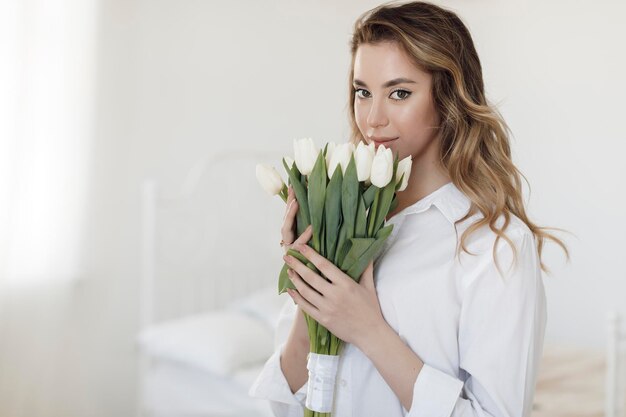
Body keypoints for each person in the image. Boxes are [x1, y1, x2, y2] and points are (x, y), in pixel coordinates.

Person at [249, 1, 570, 416]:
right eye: (362, 92)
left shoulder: (496, 245)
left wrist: (366, 329)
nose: (373, 119)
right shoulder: (340, 219)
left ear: (448, 97)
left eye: (399, 93)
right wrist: (310, 293)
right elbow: (284, 406)